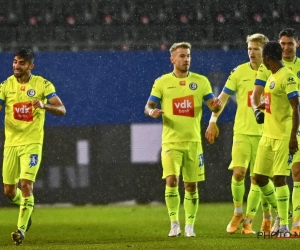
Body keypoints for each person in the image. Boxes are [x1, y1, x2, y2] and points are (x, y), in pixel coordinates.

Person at [144, 42, 222, 237]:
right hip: (171, 142)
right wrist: (152, 111)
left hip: (193, 142)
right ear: (172, 59)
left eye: (188, 56)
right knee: (171, 180)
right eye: (182, 56)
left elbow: (213, 105)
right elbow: (148, 105)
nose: (186, 59)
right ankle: (174, 224)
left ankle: (190, 226)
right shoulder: (162, 82)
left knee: (191, 185)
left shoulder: (201, 81)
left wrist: (216, 107)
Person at [0, 48, 66, 245]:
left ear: (30, 66)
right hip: (11, 143)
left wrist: (44, 105)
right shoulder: (5, 85)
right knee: (9, 191)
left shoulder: (42, 84)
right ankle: (27, 207)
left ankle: (21, 230)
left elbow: (62, 109)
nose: (16, 66)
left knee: (26, 184)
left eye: (21, 63)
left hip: (32, 143)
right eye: (14, 62)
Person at [205, 34, 269, 234]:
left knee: (258, 179)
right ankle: (238, 212)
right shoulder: (238, 72)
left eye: (255, 49)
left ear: (264, 51)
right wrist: (212, 121)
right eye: (249, 49)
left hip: (265, 133)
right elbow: (222, 99)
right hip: (242, 131)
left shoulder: (272, 72)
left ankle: (252, 221)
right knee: (239, 173)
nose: (251, 52)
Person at [254, 28, 300, 235]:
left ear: (266, 58)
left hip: (282, 136)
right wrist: (265, 106)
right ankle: (281, 212)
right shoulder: (272, 76)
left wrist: (292, 137)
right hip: (267, 135)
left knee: (280, 179)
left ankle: (283, 226)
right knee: (259, 178)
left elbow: (295, 106)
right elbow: (275, 100)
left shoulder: (287, 77)